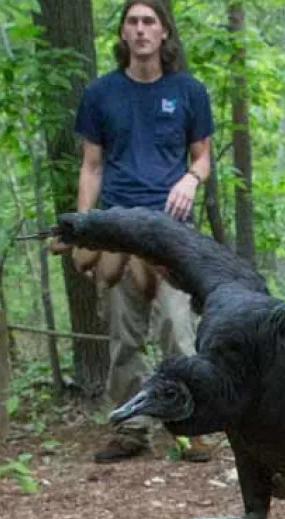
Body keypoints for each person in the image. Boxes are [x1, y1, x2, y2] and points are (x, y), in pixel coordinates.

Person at [73, 0, 213, 464]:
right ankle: (131, 428)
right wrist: (83, 226)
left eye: (149, 21)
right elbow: (91, 166)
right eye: (132, 22)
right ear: (122, 34)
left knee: (178, 327)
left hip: (171, 230)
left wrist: (191, 180)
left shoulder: (189, 91)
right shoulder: (100, 94)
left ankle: (188, 427)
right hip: (118, 227)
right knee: (124, 335)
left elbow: (202, 158)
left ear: (165, 33)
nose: (140, 30)